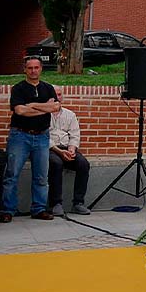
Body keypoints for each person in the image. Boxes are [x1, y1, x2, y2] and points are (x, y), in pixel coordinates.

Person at [0, 56, 58, 223]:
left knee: (41, 176)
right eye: (30, 68)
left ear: (41, 69)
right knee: (12, 174)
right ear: (25, 69)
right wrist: (44, 107)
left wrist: (31, 105)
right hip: (20, 136)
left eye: (36, 67)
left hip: (42, 136)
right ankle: (8, 210)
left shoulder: (48, 88)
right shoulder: (18, 89)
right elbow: (20, 111)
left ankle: (39, 209)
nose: (33, 71)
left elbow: (55, 107)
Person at [47, 87, 90, 216]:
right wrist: (60, 152)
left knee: (83, 164)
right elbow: (43, 137)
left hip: (66, 148)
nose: (56, 97)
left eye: (59, 95)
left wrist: (71, 149)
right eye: (54, 95)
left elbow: (75, 134)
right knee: (56, 163)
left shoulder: (70, 114)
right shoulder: (42, 114)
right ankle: (56, 204)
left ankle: (78, 203)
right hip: (50, 149)